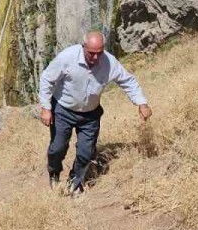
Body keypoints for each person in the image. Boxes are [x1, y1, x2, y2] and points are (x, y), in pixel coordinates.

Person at [38, 30, 151, 194]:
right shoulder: (67, 57)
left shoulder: (109, 62)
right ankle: (54, 174)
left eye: (100, 53)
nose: (96, 58)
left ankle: (74, 183)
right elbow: (47, 79)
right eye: (92, 53)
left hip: (90, 114)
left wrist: (142, 103)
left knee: (86, 153)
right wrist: (45, 108)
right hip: (62, 110)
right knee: (57, 148)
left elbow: (128, 81)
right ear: (83, 46)